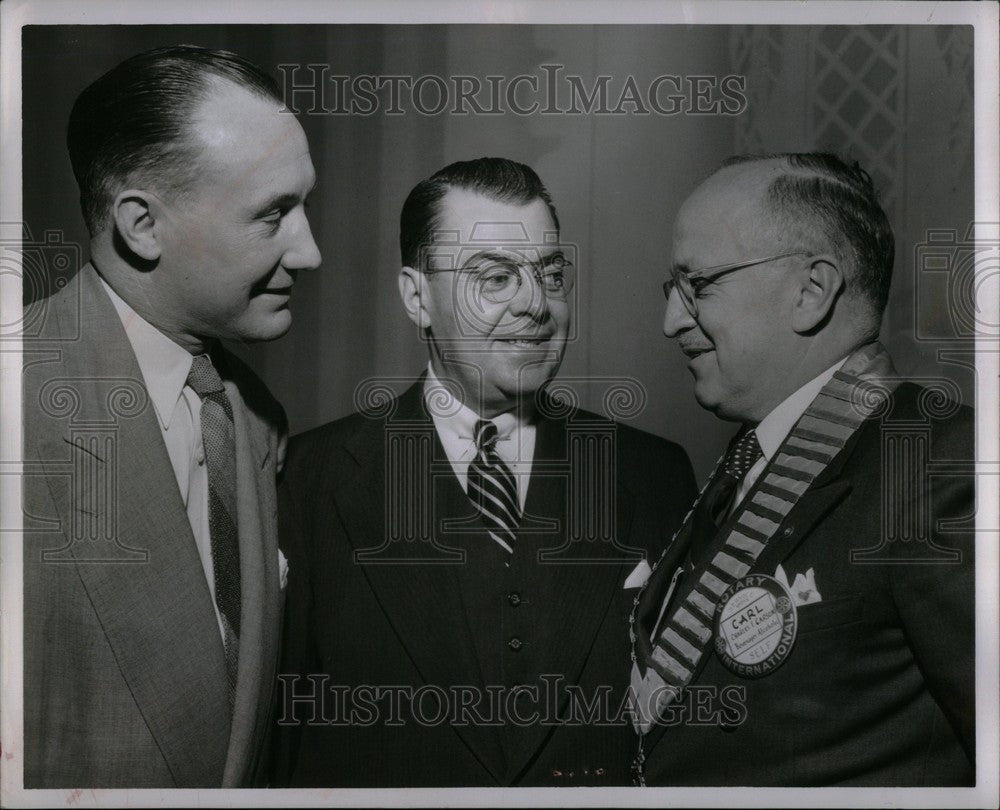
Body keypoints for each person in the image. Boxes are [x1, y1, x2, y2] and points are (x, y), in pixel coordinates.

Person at [275, 157, 696, 787]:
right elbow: (279, 751)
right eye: (494, 278)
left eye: (550, 274)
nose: (535, 305)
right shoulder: (308, 481)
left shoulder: (652, 474)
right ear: (417, 297)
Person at [22, 45, 321, 788]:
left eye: (303, 205)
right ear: (142, 225)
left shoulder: (254, 419)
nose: (310, 250)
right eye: (273, 215)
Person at [631, 153, 974, 786]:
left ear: (811, 291)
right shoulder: (747, 463)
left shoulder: (939, 465)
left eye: (698, 285)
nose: (671, 321)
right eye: (670, 290)